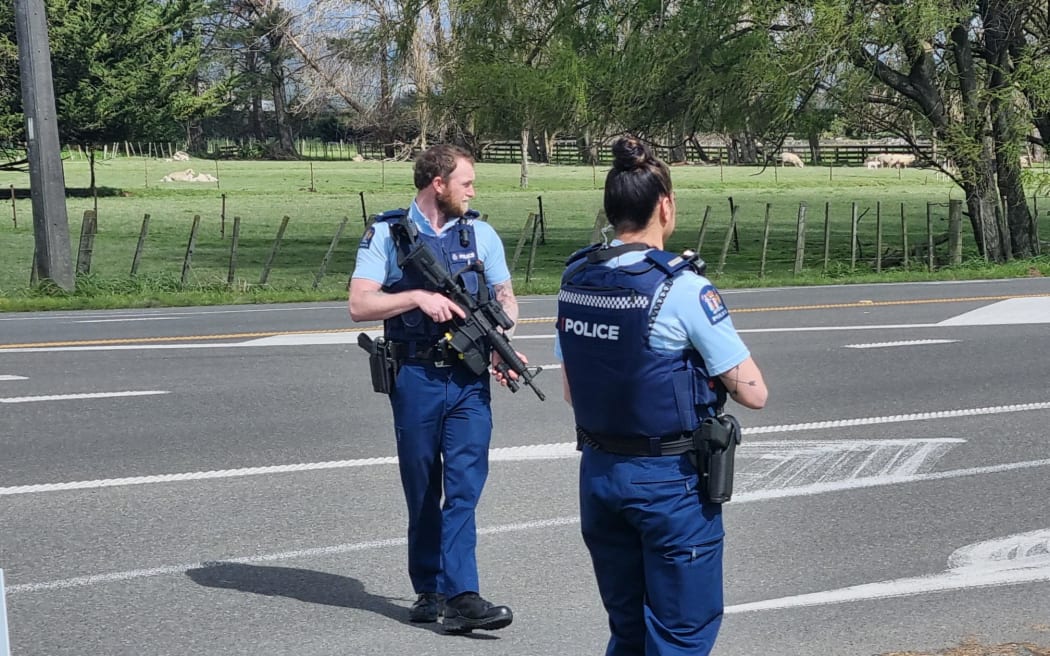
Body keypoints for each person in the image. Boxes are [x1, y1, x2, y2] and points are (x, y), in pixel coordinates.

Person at [556, 137, 768, 656]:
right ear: (665, 205)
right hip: (667, 482)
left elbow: (570, 389)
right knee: (680, 634)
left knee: (627, 630)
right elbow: (755, 393)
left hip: (600, 473)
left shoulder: (575, 276)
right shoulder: (683, 288)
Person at [348, 144, 520, 634]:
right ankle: (429, 588)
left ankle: (462, 594)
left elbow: (505, 296)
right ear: (437, 184)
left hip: (468, 379)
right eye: (466, 182)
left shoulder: (481, 233)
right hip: (417, 377)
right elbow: (360, 305)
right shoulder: (388, 233)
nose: (474, 190)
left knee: (464, 488)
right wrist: (416, 297)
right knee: (423, 488)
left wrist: (500, 343)